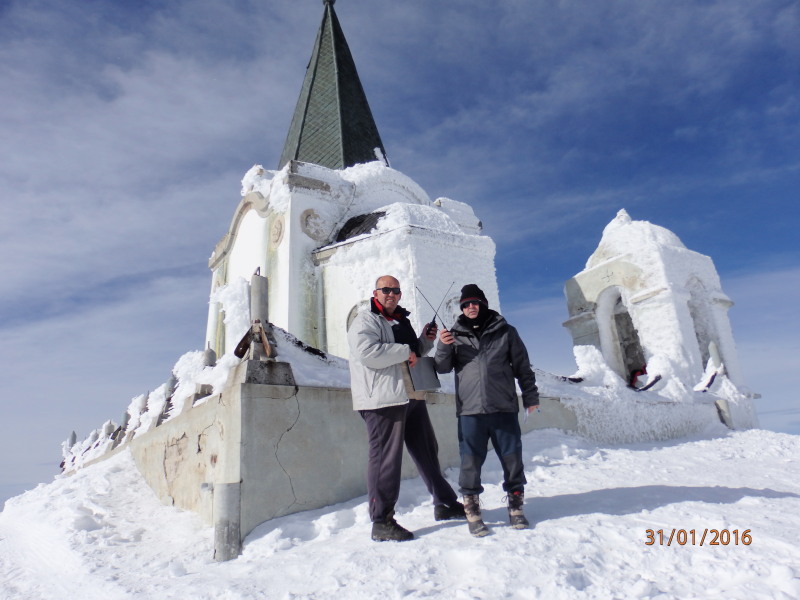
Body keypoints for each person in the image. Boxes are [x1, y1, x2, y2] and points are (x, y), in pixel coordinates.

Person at [348, 275, 466, 542]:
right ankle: (381, 521)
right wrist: (405, 351)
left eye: (396, 291)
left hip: (411, 393)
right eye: (386, 290)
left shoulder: (401, 321)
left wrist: (425, 340)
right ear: (375, 293)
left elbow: (412, 352)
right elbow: (367, 352)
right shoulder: (366, 320)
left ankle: (444, 503)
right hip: (383, 399)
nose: (391, 294)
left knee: (427, 450)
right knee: (385, 460)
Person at [435, 283, 539, 537]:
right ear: (462, 307)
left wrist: (530, 396)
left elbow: (522, 366)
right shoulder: (454, 334)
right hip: (470, 410)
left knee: (512, 458)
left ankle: (516, 507)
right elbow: (442, 367)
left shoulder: (506, 331)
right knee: (470, 461)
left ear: (483, 304)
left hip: (503, 406)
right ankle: (472, 509)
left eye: (475, 302)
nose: (471, 307)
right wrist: (443, 345)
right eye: (466, 304)